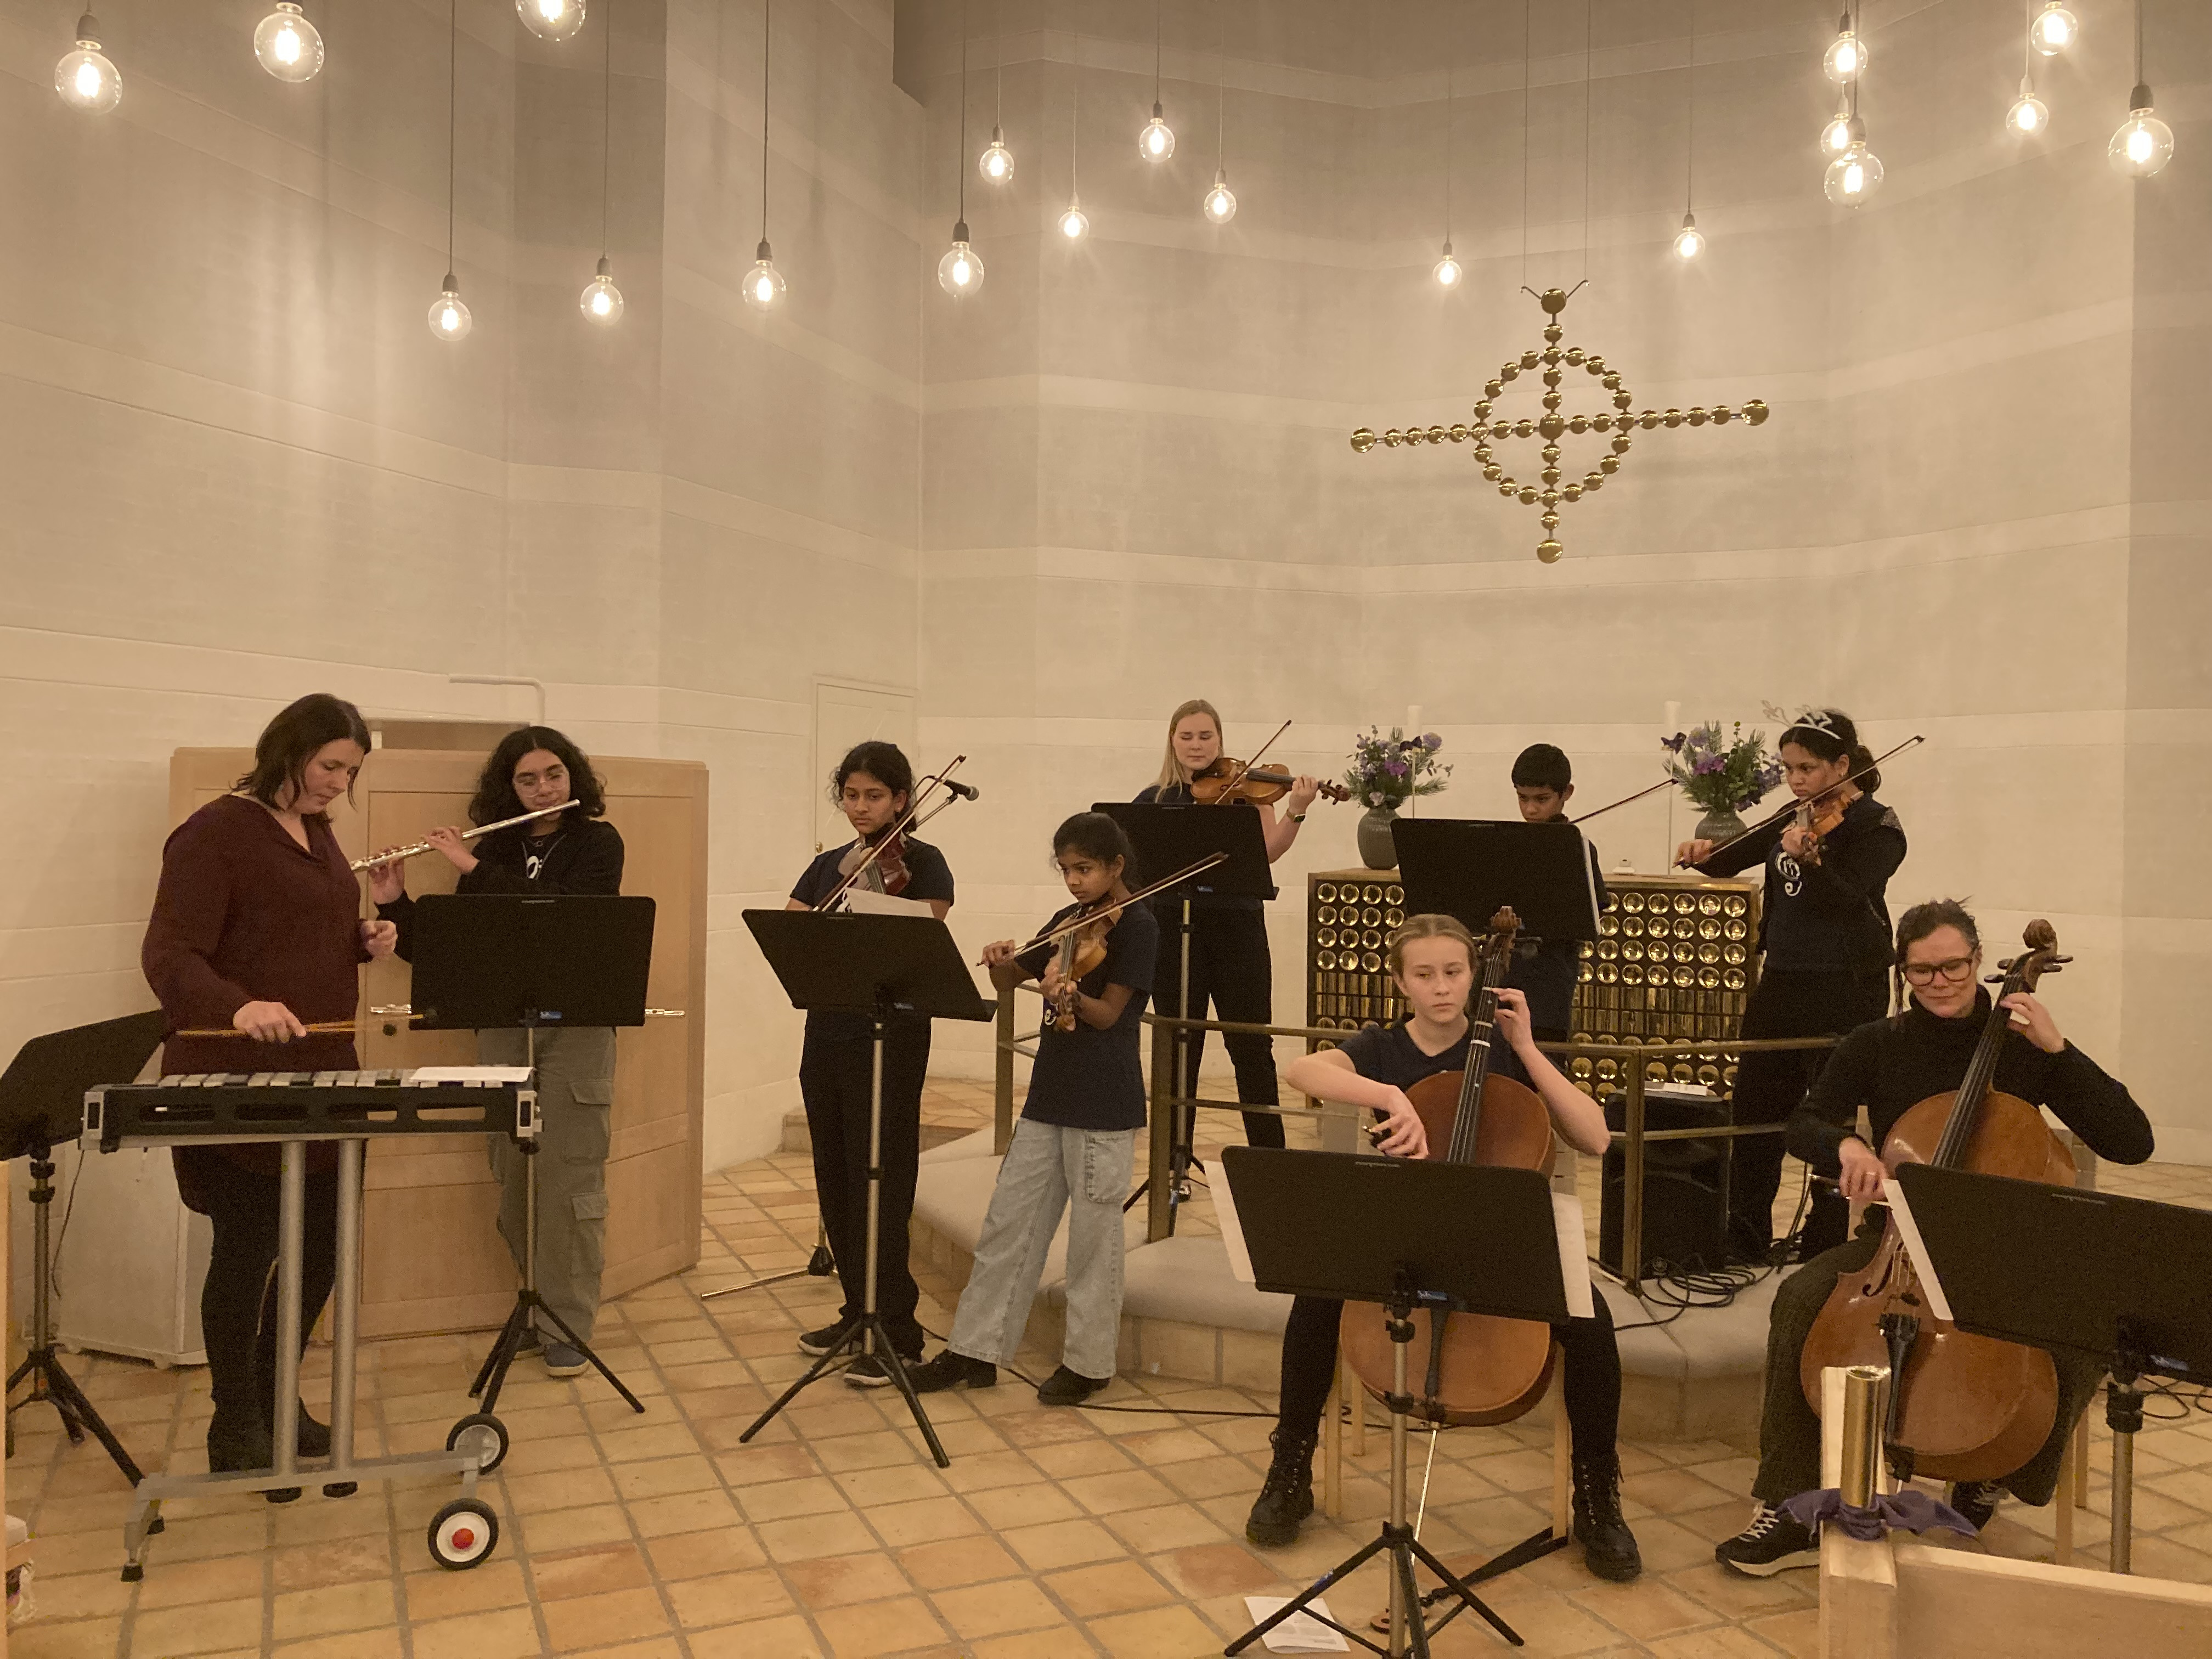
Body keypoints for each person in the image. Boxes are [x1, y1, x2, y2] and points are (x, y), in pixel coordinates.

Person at [1714, 899, 2154, 1577]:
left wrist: (2060, 1054)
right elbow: (1805, 1121)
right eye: (1921, 971)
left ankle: (1999, 1468)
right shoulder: (1878, 1043)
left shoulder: (2025, 1046)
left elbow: (2132, 1141)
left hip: (2004, 1250)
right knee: (1800, 1299)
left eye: (1952, 966)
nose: (1938, 981)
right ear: (1904, 972)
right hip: (1898, 1240)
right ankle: (1792, 1502)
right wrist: (1846, 1145)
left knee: (2086, 1329)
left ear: (1978, 961)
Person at [1243, 913, 1643, 1584]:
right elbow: (1300, 1068)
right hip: (1402, 1232)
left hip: (1497, 1239)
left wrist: (1529, 1045)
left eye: (1454, 972)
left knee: (1592, 1323)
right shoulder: (1382, 1049)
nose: (1441, 988)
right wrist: (1388, 1096)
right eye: (1424, 975)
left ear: (1477, 975)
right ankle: (1291, 1468)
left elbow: (1596, 1138)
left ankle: (1598, 1495)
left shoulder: (1508, 1048)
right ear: (1400, 982)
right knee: (1313, 1294)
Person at [140, 692, 398, 1497]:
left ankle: (274, 1396)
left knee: (322, 1247)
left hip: (325, 1073)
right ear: (285, 751)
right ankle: (235, 1418)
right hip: (236, 1073)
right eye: (330, 767)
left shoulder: (319, 836)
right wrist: (237, 1005)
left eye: (350, 772)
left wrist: (362, 941)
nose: (338, 784)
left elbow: (293, 936)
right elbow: (170, 952)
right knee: (248, 1250)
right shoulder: (215, 832)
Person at [369, 726, 624, 1379]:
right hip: (502, 1026)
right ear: (508, 789)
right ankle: (539, 1309)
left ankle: (569, 1321)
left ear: (574, 778)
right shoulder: (498, 846)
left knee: (568, 1179)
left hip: (577, 1027)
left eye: (554, 774)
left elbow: (571, 918)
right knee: (514, 1185)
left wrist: (471, 868)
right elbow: (454, 952)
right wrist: (396, 903)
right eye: (528, 780)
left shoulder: (597, 842)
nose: (544, 788)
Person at [907, 812, 1160, 1407]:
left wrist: (1072, 992)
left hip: (1104, 1100)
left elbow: (1112, 1016)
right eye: (1068, 870)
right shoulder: (1070, 921)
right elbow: (1004, 981)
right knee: (1007, 1226)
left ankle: (1089, 1362)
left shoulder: (1139, 926)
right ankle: (975, 1350)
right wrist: (1001, 960)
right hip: (1050, 1095)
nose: (1075, 883)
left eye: (1086, 870)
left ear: (1116, 867)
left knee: (1094, 1240)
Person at [1678, 709, 1905, 1260]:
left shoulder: (1879, 828)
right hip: (1782, 982)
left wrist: (1816, 861)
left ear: (1842, 764)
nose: (1796, 779)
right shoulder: (1795, 814)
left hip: (1845, 989)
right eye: (1788, 768)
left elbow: (1846, 899)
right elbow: (1739, 858)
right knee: (1754, 1116)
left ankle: (1824, 1246)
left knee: (1828, 1123)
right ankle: (1746, 1238)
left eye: (1808, 768)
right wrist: (1704, 857)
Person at [784, 742, 953, 1385]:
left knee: (881, 1176)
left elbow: (918, 935)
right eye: (852, 795)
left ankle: (897, 1328)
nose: (861, 807)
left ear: (901, 801)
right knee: (835, 1174)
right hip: (828, 1031)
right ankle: (857, 1309)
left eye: (874, 796)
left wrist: (876, 881)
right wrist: (845, 880)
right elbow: (797, 932)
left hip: (891, 1037)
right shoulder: (829, 864)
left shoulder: (925, 863)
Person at [1136, 699, 1319, 1154]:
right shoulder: (1154, 801)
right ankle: (1174, 1162)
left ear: (1220, 740)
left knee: (1252, 1046)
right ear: (1172, 742)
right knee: (1181, 1047)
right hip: (1173, 931)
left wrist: (1296, 807)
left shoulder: (1243, 792)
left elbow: (1270, 851)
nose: (1197, 745)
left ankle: (1270, 1163)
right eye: (1187, 736)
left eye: (1206, 736)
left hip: (1238, 930)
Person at [1506, 743, 1607, 1042]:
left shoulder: (1577, 847)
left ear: (1567, 793)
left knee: (1544, 1057)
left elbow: (1591, 914)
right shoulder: (1507, 843)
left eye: (1542, 799)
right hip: (1504, 972)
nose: (1530, 809)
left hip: (1550, 973)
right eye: (1522, 798)